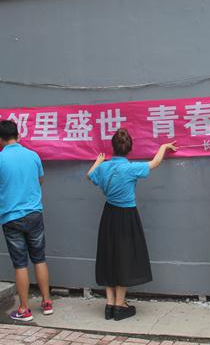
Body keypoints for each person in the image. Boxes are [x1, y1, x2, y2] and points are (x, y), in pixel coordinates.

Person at [87, 128, 177, 321]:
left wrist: (98, 161)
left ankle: (110, 304)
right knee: (124, 257)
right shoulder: (131, 168)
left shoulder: (104, 168)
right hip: (126, 216)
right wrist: (163, 146)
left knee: (109, 255)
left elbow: (90, 176)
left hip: (108, 215)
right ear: (129, 149)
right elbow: (155, 162)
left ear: (113, 147)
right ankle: (120, 305)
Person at [0, 120, 53, 322]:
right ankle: (47, 302)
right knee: (39, 259)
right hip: (34, 214)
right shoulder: (33, 155)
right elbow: (41, 180)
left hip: (11, 217)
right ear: (18, 134)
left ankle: (24, 309)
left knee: (20, 263)